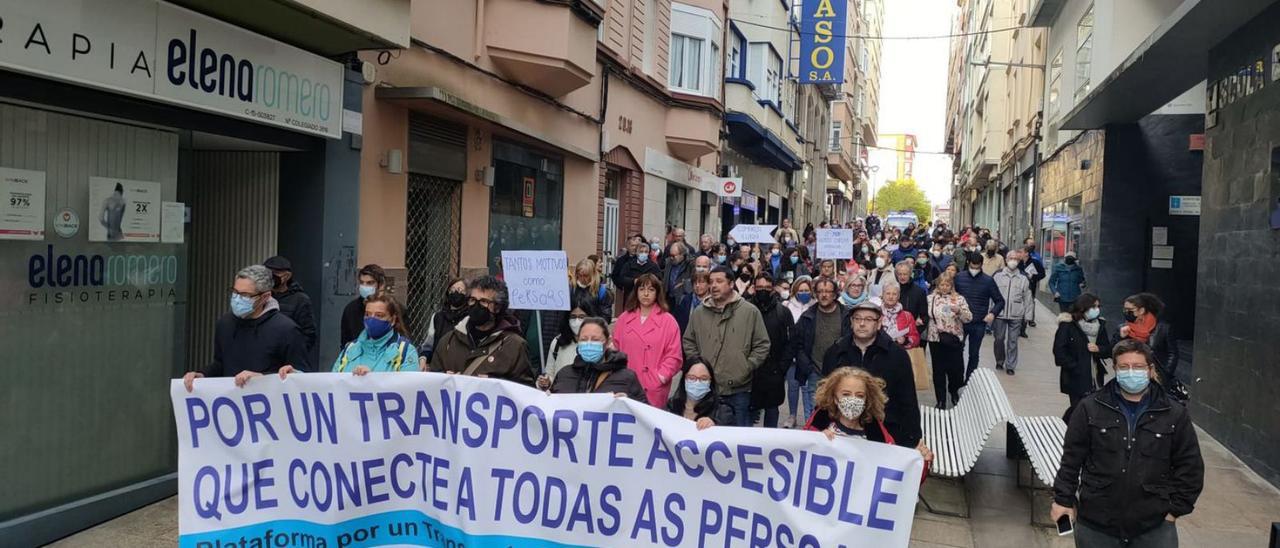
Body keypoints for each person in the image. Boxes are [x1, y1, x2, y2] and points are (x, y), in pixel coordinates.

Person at [1050, 340, 1204, 547]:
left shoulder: (1174, 414)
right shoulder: (1089, 408)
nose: (1131, 372)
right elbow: (1071, 459)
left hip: (1153, 526)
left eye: (1138, 367)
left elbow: (1190, 466)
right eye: (1124, 367)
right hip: (1097, 524)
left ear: (1150, 370)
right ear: (1115, 369)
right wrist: (1063, 500)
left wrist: (1174, 511)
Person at [182, 265, 311, 392]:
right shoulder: (225, 324)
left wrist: (263, 380)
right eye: (235, 292)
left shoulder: (287, 330)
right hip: (232, 404)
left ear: (265, 297)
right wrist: (202, 375)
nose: (237, 299)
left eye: (245, 295)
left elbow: (301, 378)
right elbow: (221, 364)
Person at [819, 301, 922, 448]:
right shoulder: (835, 352)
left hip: (884, 431)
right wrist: (819, 429)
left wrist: (913, 438)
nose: (862, 324)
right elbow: (825, 396)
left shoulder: (896, 355)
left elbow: (907, 398)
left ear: (879, 323)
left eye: (868, 319)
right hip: (841, 431)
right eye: (857, 318)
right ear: (851, 321)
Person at [682, 266, 771, 426]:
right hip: (705, 389)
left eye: (719, 281)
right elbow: (689, 341)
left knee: (736, 439)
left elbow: (762, 344)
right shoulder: (699, 312)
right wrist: (698, 366)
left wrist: (746, 366)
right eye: (711, 282)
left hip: (738, 390)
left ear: (731, 284)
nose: (714, 285)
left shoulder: (749, 312)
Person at [429, 276, 534, 386]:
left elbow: (525, 391)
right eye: (473, 300)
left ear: (498, 307)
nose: (476, 305)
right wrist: (443, 378)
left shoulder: (515, 346)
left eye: (484, 301)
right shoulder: (448, 341)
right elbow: (431, 383)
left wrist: (497, 384)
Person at [613, 274, 684, 407]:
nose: (646, 294)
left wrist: (660, 377)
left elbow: (674, 356)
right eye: (642, 289)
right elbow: (614, 350)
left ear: (657, 293)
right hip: (626, 384)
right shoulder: (624, 318)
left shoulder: (668, 321)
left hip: (653, 388)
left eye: (651, 290)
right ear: (636, 292)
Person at [302, 294, 418, 375]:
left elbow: (408, 392)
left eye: (379, 315)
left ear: (392, 320)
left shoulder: (405, 352)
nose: (371, 319)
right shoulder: (350, 349)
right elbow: (331, 384)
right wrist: (295, 376)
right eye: (367, 314)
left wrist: (372, 380)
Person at [549, 318, 647, 401]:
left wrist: (629, 402)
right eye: (584, 339)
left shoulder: (627, 378)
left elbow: (646, 415)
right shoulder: (564, 374)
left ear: (608, 342)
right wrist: (547, 399)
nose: (589, 343)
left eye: (595, 340)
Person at [1054, 293, 1112, 422]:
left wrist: (1099, 349)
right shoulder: (1068, 324)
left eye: (1098, 306)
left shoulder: (1101, 325)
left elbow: (1108, 349)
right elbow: (1059, 351)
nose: (1096, 310)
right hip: (1075, 376)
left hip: (1095, 376)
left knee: (1090, 408)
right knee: (1079, 408)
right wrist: (1075, 367)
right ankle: (1068, 429)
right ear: (1083, 307)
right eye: (1093, 306)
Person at [748, 273, 794, 428]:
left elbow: (790, 342)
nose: (763, 291)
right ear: (754, 288)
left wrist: (782, 368)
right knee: (748, 415)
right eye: (759, 287)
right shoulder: (745, 309)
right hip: (750, 372)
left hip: (774, 371)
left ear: (773, 289)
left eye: (767, 288)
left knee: (772, 413)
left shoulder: (783, 312)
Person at [954, 252, 1005, 382]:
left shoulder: (988, 281)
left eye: (977, 267)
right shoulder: (959, 278)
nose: (974, 269)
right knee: (957, 351)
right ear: (968, 263)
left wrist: (992, 313)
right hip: (960, 321)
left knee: (974, 353)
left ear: (982, 265)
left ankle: (969, 380)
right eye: (972, 266)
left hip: (979, 323)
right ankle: (958, 379)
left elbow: (1000, 301)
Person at [925, 273, 972, 409]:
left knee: (955, 369)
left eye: (947, 285)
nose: (944, 287)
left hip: (954, 338)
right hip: (936, 339)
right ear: (938, 285)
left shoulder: (959, 299)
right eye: (942, 285)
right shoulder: (930, 298)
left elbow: (969, 318)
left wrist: (959, 311)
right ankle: (940, 399)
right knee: (938, 371)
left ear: (951, 285)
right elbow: (924, 313)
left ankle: (954, 392)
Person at [263, 256, 318, 365]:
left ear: (287, 276)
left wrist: (294, 354)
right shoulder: (262, 296)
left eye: (275, 273)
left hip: (287, 360)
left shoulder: (300, 300)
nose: (270, 277)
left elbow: (308, 334)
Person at [536, 300, 595, 390]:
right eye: (573, 317)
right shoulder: (557, 342)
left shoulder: (596, 344)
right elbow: (550, 374)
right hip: (561, 397)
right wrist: (546, 382)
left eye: (582, 317)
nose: (577, 321)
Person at [991, 250, 1034, 375]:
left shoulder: (1023, 278)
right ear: (1006, 259)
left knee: (1013, 341)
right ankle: (1000, 360)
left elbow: (1028, 298)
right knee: (999, 339)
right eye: (1011, 258)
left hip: (1016, 314)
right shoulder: (998, 275)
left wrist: (1028, 315)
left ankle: (1010, 365)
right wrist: (990, 311)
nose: (1013, 261)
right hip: (1000, 313)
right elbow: (991, 295)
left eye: (1016, 259)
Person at [1120, 293, 1179, 383]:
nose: (1126, 312)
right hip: (1131, 375)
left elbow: (1172, 353)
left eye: (1130, 310)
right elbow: (1114, 352)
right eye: (1125, 309)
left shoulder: (1163, 328)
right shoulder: (1123, 328)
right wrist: (1120, 337)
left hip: (1155, 377)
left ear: (1141, 310)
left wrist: (1164, 375)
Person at [667, 361, 735, 429]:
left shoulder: (722, 410)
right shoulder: (671, 406)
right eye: (692, 378)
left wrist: (715, 423)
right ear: (684, 380)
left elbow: (730, 433)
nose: (697, 383)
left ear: (710, 381)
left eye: (704, 379)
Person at [420, 278, 469, 363]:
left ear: (467, 294)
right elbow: (428, 346)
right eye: (452, 290)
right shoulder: (437, 317)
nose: (455, 293)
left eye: (460, 290)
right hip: (438, 366)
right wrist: (423, 358)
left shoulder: (469, 318)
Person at [341, 264, 387, 349]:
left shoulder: (394, 309)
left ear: (380, 285)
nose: (365, 286)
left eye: (370, 283)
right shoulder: (350, 309)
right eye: (362, 282)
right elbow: (345, 343)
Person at [610, 235, 661, 312]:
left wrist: (648, 282)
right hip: (631, 296)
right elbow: (621, 278)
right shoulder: (628, 265)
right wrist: (633, 281)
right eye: (641, 251)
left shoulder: (653, 266)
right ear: (637, 253)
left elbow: (659, 279)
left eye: (646, 252)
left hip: (647, 298)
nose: (643, 254)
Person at [894, 261, 929, 333]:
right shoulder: (893, 290)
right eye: (900, 274)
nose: (902, 277)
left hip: (911, 331)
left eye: (905, 274)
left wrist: (916, 329)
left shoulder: (919, 292)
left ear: (910, 274)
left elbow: (924, 316)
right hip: (893, 330)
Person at [1021, 238, 1047, 332]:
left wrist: (1034, 277)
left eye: (1021, 252)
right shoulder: (1018, 262)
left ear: (1026, 253)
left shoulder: (1035, 262)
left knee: (1029, 304)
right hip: (1018, 287)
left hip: (1030, 287)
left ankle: (1026, 323)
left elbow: (1042, 273)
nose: (1020, 254)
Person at [662, 241, 693, 311]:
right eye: (670, 255)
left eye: (673, 256)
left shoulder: (690, 264)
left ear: (682, 254)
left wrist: (685, 283)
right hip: (669, 298)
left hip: (681, 299)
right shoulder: (668, 262)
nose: (671, 258)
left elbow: (694, 280)